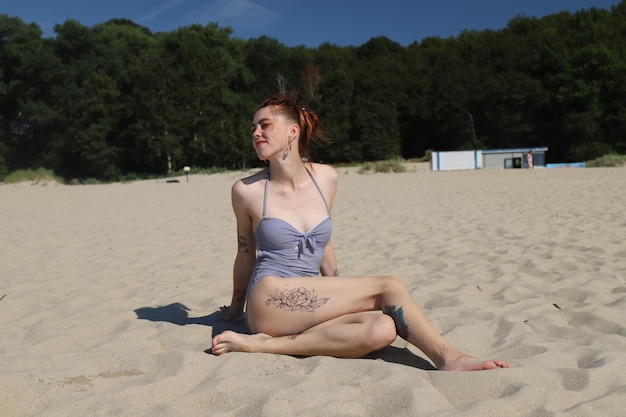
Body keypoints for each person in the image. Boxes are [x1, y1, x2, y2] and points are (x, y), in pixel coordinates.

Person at [211, 93, 511, 371]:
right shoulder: (247, 191)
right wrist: (236, 308)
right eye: (253, 127)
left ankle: (264, 345)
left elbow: (323, 244)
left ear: (293, 132)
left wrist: (338, 292)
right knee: (389, 286)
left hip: (308, 301)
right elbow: (245, 254)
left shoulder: (325, 178)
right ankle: (450, 358)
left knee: (382, 329)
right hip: (269, 299)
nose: (255, 133)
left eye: (264, 125)